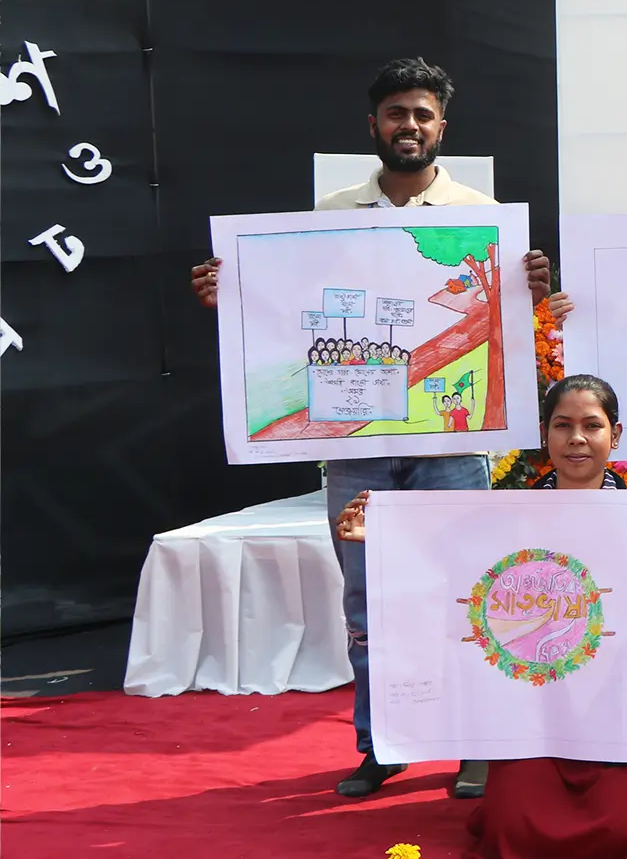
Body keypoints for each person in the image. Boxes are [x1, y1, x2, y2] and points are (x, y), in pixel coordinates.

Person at [189, 57, 554, 800]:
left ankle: (475, 748)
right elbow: (292, 309)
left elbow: (504, 323)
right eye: (396, 114)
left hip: (452, 448)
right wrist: (233, 295)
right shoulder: (329, 212)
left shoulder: (482, 215)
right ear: (374, 125)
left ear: (442, 125)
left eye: (422, 114)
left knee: (467, 591)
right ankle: (381, 742)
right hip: (356, 448)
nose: (409, 126)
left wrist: (532, 293)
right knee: (367, 600)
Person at [337, 375, 627, 859]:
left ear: (615, 435)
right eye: (562, 425)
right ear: (544, 434)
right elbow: (449, 575)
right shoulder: (504, 519)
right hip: (535, 721)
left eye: (592, 426)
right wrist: (383, 539)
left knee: (623, 831)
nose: (577, 438)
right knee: (515, 828)